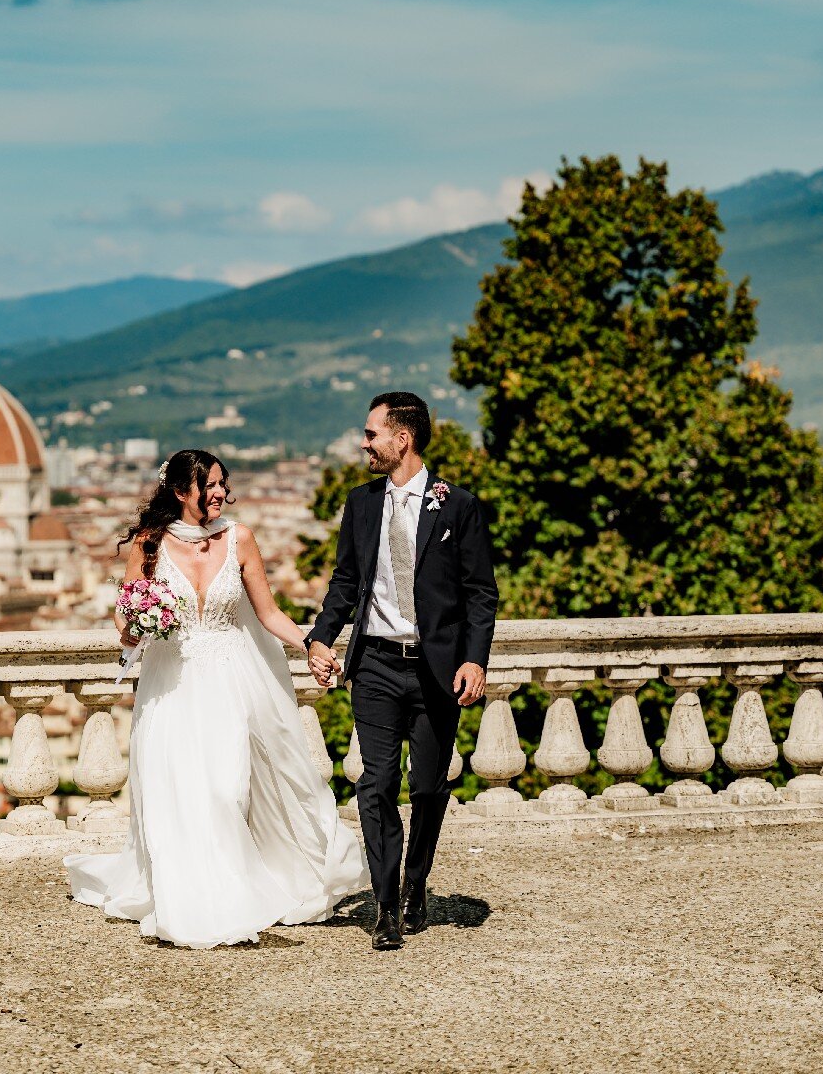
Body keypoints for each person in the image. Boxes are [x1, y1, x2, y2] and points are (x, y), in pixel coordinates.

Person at [65, 448, 368, 949]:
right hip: (172, 684)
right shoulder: (148, 544)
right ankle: (194, 900)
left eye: (223, 483)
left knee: (227, 790)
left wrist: (311, 646)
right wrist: (137, 624)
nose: (221, 493)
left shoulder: (239, 538)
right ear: (182, 491)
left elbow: (268, 613)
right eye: (210, 485)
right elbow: (123, 621)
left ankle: (236, 887)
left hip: (231, 680)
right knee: (176, 790)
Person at [304, 392, 498, 951]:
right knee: (376, 784)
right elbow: (345, 584)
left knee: (429, 786)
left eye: (371, 434)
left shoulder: (457, 506)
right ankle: (386, 905)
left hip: (437, 670)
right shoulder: (361, 504)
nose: (363, 444)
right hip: (377, 666)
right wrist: (321, 636)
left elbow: (480, 594)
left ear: (401, 438)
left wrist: (473, 658)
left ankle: (417, 886)